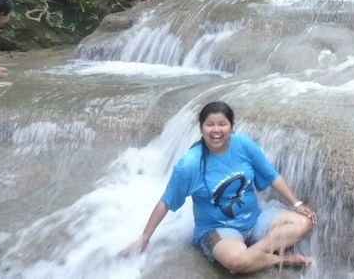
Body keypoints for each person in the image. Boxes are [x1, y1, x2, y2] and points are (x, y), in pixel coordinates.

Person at [124, 101, 316, 272]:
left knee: (304, 223)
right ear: (201, 129)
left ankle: (253, 255)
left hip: (256, 219)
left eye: (222, 124)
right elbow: (166, 202)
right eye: (210, 124)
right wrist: (145, 238)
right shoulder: (190, 165)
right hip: (218, 229)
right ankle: (280, 259)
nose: (216, 130)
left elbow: (271, 175)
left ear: (232, 127)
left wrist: (297, 203)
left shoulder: (243, 145)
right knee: (236, 262)